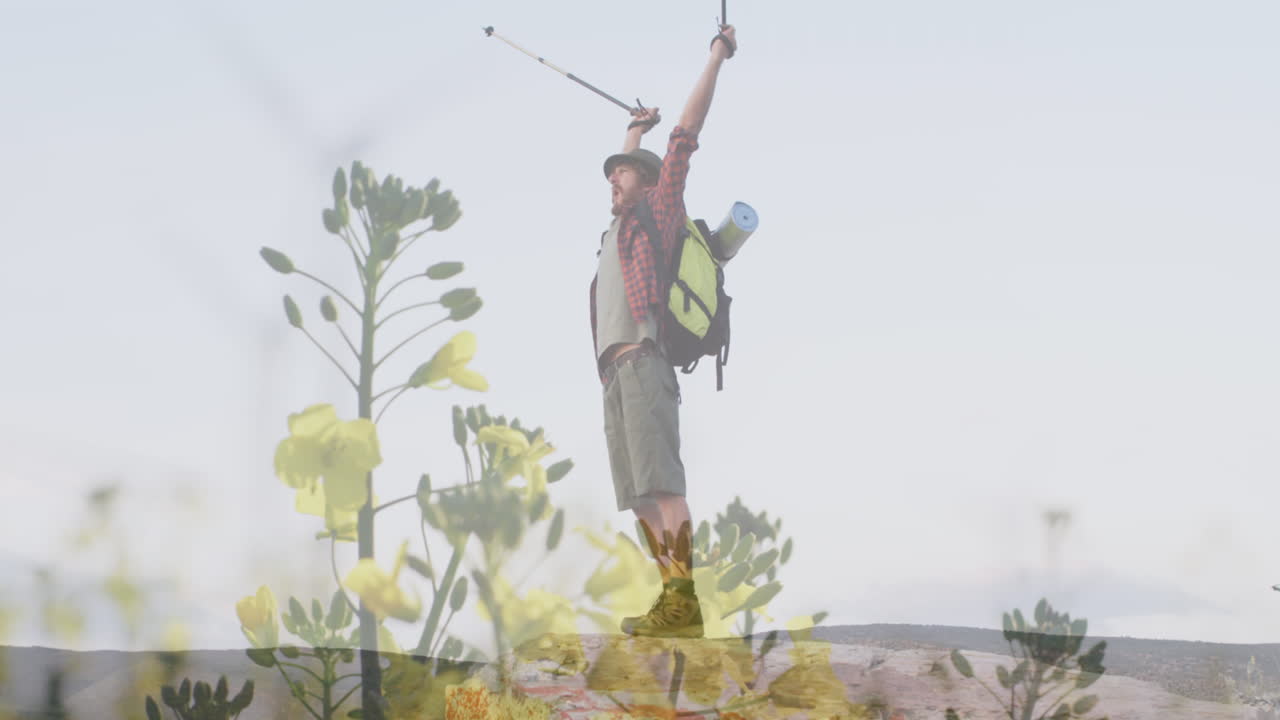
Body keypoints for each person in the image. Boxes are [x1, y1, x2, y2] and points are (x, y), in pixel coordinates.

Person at [588, 24, 737, 638]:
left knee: (664, 484)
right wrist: (631, 132)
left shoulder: (660, 208)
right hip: (614, 375)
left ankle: (685, 602)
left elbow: (685, 137)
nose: (612, 181)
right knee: (639, 497)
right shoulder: (615, 231)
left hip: (647, 364)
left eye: (623, 174)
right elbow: (630, 168)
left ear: (649, 183)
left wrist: (716, 57)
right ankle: (670, 597)